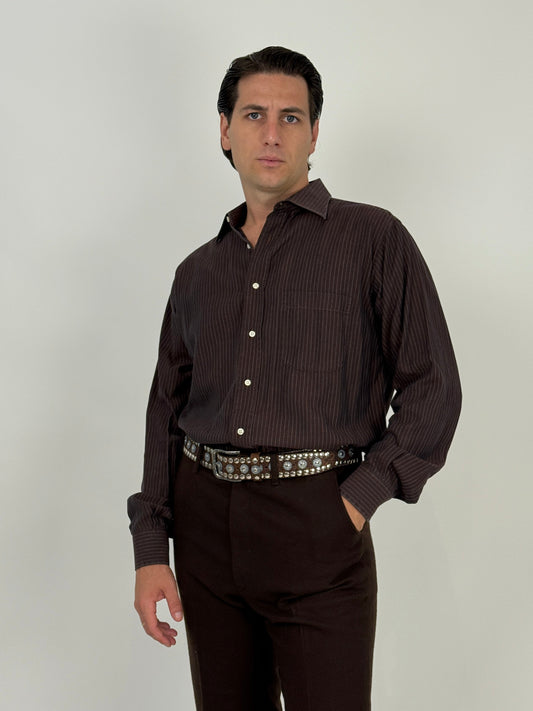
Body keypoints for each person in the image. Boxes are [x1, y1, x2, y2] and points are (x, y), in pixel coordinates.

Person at [127, 46, 461, 711]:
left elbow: (433, 386)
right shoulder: (197, 272)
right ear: (225, 131)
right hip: (204, 529)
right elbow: (167, 407)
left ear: (314, 134)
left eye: (291, 117)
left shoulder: (372, 239)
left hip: (318, 520)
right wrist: (151, 547)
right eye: (254, 115)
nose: (272, 133)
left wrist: (356, 499)